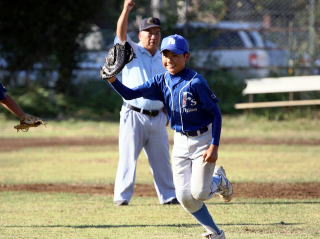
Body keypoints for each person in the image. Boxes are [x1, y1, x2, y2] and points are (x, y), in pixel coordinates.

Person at [104, 34, 233, 239]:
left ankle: (220, 180)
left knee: (199, 193)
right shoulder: (160, 80)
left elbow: (215, 113)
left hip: (203, 140)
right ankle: (215, 233)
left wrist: (214, 146)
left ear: (186, 56)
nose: (170, 60)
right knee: (184, 197)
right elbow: (129, 94)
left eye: (175, 55)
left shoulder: (196, 81)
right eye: (166, 55)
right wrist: (112, 79)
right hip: (180, 141)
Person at [112, 0, 177, 206]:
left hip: (158, 116)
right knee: (128, 159)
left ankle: (168, 196)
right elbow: (121, 34)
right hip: (133, 114)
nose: (153, 36)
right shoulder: (131, 51)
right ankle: (121, 198)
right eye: (148, 32)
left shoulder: (164, 57)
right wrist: (126, 9)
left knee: (162, 162)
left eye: (157, 32)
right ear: (140, 35)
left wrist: (167, 111)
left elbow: (167, 87)